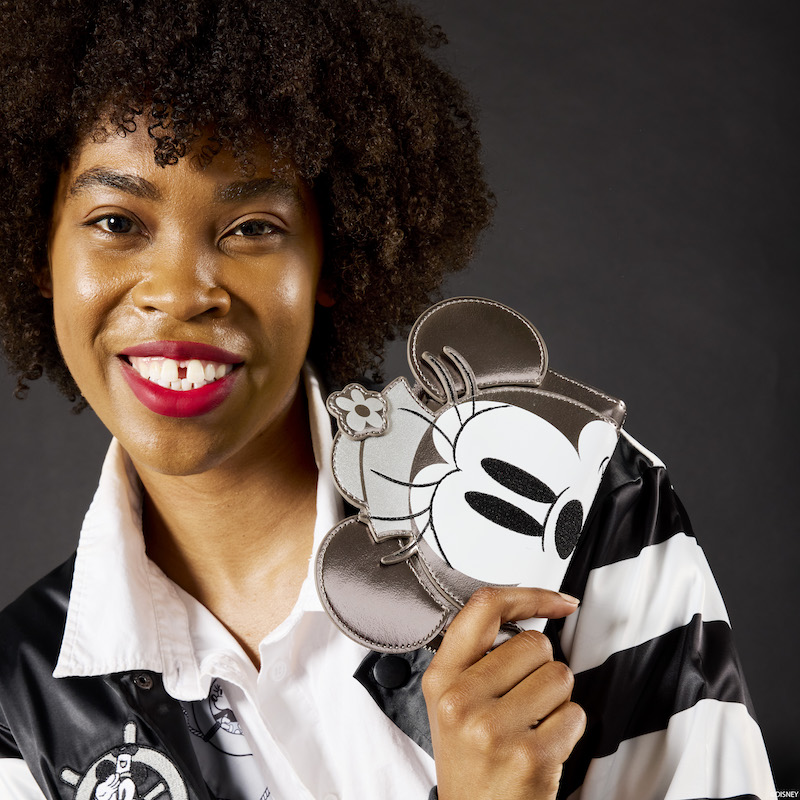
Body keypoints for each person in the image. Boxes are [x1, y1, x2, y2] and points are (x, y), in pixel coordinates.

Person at [0, 1, 775, 799]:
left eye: (252, 227)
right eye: (116, 221)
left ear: (331, 256)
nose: (177, 293)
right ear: (38, 251)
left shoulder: (565, 494)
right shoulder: (22, 709)